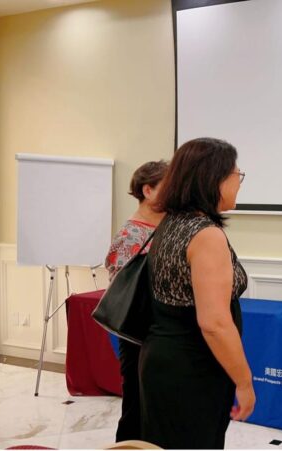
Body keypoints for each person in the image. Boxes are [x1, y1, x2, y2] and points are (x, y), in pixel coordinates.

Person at [139, 137, 254, 449]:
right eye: (237, 175)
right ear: (214, 179)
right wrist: (244, 382)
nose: (239, 183)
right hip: (193, 368)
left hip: (162, 359)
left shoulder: (171, 222)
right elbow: (214, 323)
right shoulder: (206, 235)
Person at [104, 159, 168, 442]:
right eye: (168, 188)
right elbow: (122, 287)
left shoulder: (169, 227)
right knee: (136, 404)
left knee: (157, 406)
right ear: (148, 190)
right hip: (138, 331)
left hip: (161, 330)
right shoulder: (130, 235)